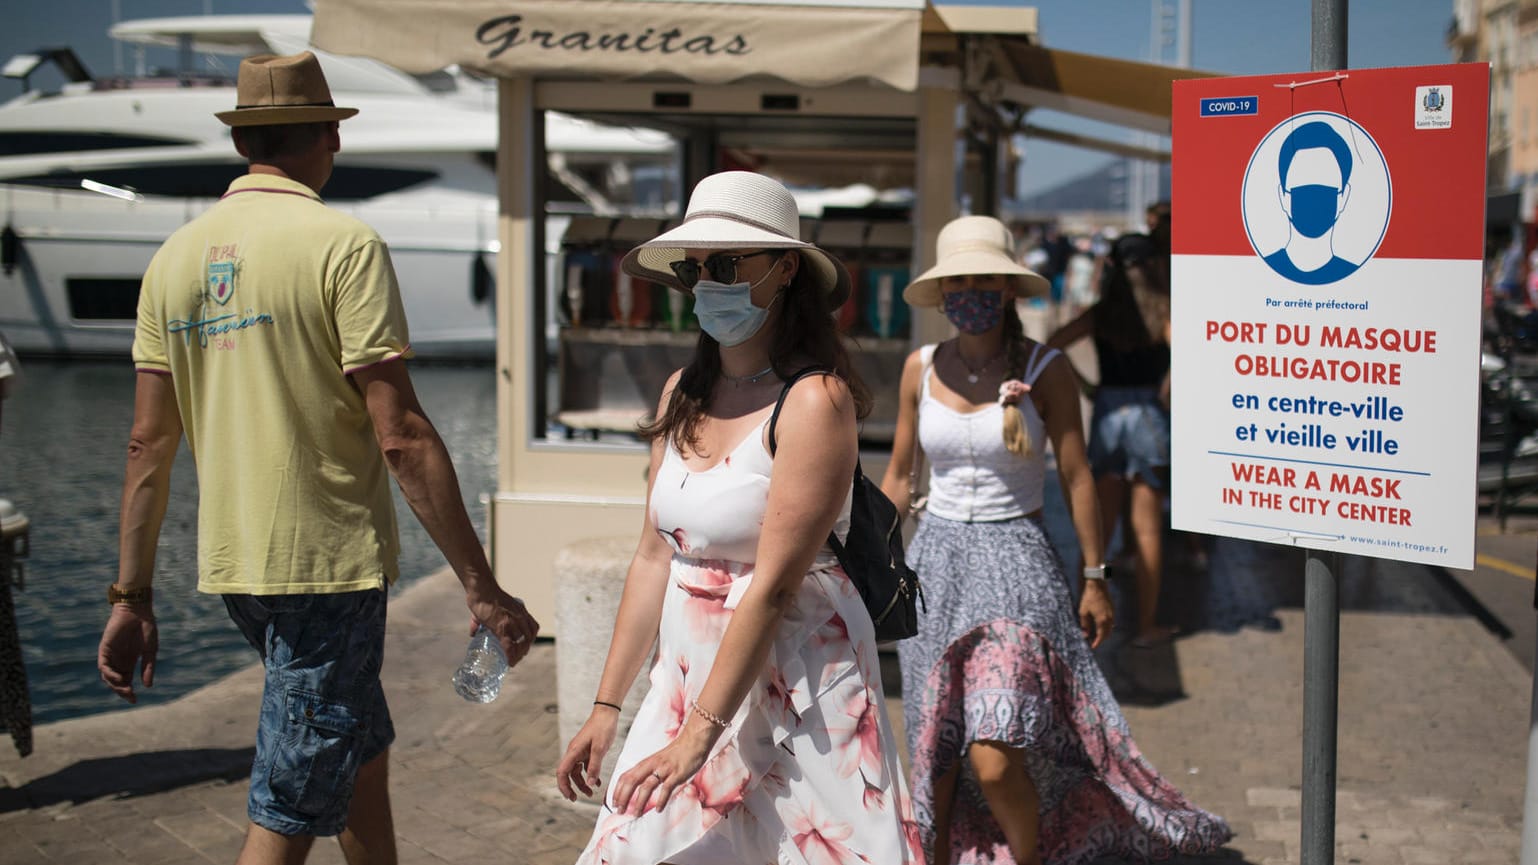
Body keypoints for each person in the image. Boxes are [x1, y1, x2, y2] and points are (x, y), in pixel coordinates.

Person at [95, 52, 538, 865]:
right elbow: (399, 432)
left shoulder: (172, 261)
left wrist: (132, 592)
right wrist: (482, 586)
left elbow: (147, 445)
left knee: (357, 751)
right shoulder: (343, 244)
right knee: (289, 804)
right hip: (325, 570)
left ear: (241, 145)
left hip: (238, 571)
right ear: (331, 134)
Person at [556, 170, 920, 864]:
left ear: (786, 269)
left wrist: (700, 735)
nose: (705, 283)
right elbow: (653, 556)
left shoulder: (815, 401)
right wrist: (607, 708)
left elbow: (777, 584)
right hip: (691, 680)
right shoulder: (682, 392)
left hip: (801, 688)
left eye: (724, 264)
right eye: (696, 268)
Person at [882, 215, 1230, 864]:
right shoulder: (919, 369)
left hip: (1017, 568)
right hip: (936, 571)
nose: (970, 291)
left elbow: (1077, 476)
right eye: (958, 280)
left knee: (992, 754)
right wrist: (866, 553)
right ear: (941, 290)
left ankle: (1031, 854)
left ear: (1009, 287)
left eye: (984, 278)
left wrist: (1094, 576)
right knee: (933, 751)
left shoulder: (1047, 368)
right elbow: (901, 475)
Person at [1050, 232, 1178, 647]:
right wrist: (1167, 385)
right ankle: (1147, 626)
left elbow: (1054, 346)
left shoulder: (1101, 313)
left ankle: (1082, 619)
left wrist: (1086, 385)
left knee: (1098, 530)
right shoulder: (1164, 312)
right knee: (1148, 531)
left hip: (1108, 411)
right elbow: (1190, 356)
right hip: (1150, 418)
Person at [1262, 121, 1360, 285]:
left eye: (1324, 192)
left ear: (1343, 197)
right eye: (1302, 192)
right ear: (1283, 197)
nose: (1313, 204)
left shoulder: (1356, 277)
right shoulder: (1263, 270)